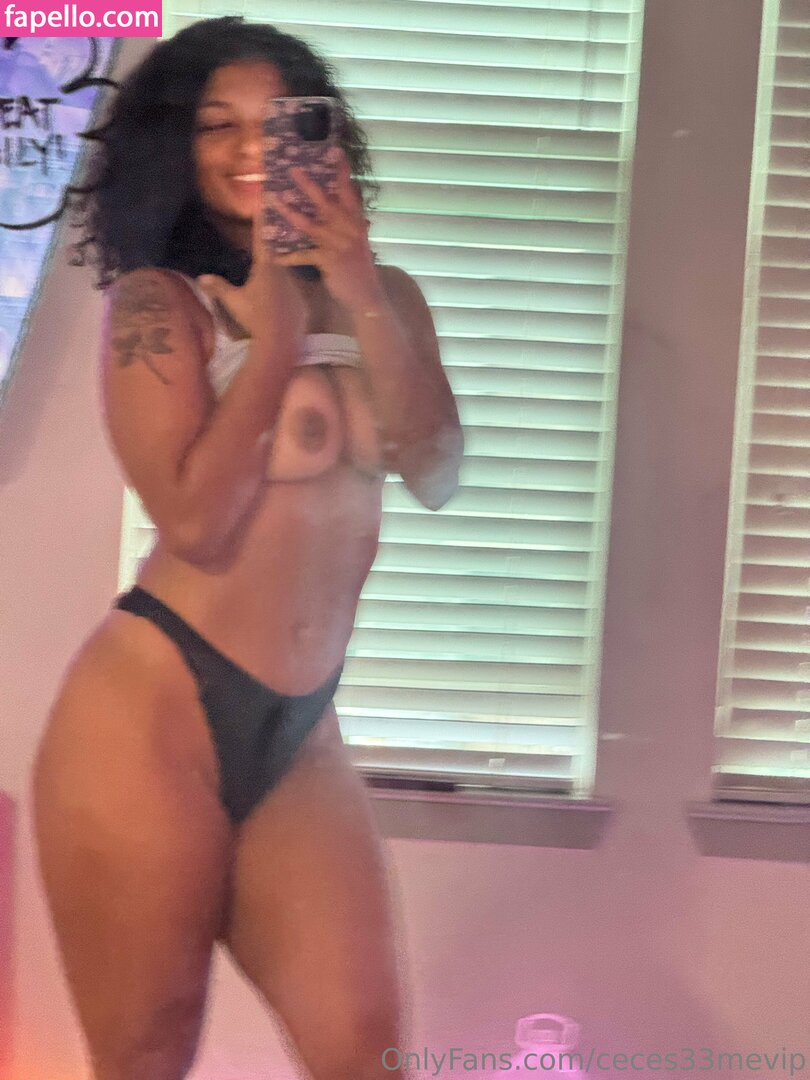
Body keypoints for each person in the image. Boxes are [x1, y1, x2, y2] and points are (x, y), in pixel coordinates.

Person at [31, 16, 463, 1080]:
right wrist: (272, 344)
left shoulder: (388, 297)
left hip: (300, 732)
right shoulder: (161, 304)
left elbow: (434, 468)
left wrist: (354, 286)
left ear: (324, 141)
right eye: (216, 124)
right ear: (177, 148)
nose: (248, 149)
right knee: (147, 1056)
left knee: (366, 1054)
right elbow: (194, 521)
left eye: (278, 124)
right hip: (149, 715)